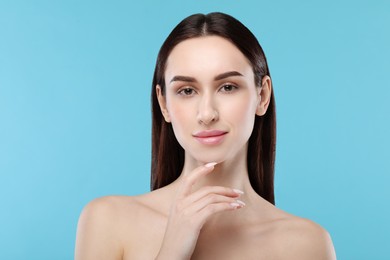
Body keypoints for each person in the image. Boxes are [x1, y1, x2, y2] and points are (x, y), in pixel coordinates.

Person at [75, 12, 336, 259]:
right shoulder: (107, 220)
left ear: (262, 96)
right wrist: (172, 250)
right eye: (187, 91)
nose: (207, 113)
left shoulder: (307, 244)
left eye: (228, 87)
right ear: (163, 104)